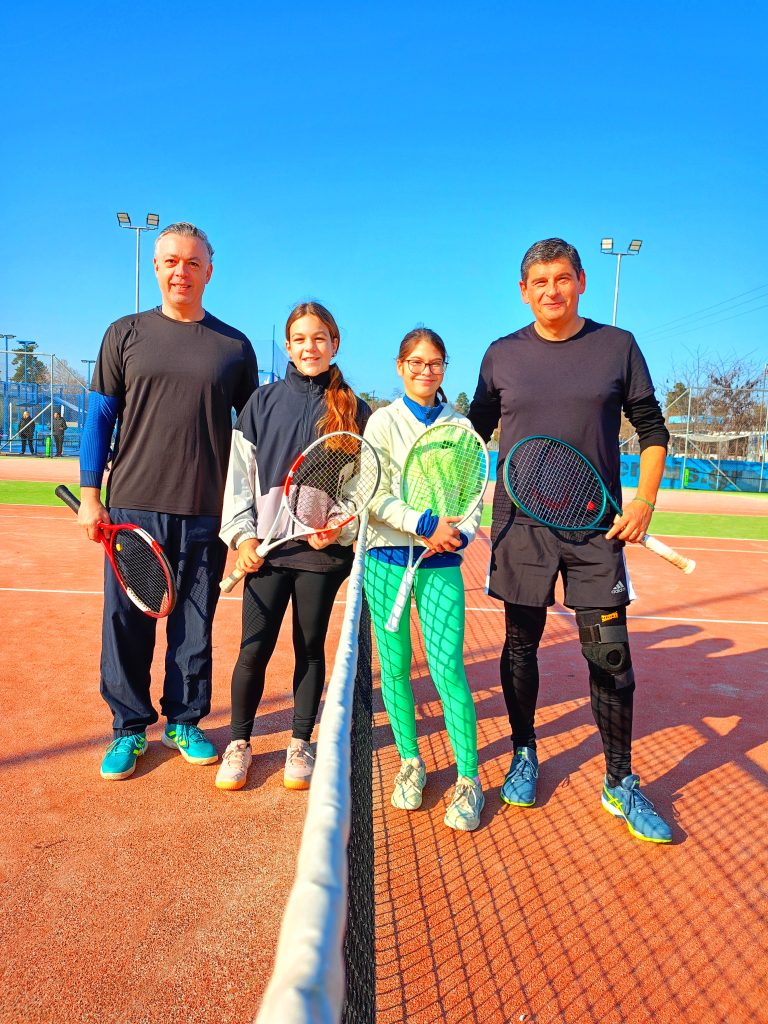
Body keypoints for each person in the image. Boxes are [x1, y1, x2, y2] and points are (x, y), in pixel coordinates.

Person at [468, 237, 672, 843]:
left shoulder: (617, 346)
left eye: (561, 279)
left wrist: (643, 502)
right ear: (523, 291)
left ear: (581, 281)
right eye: (538, 282)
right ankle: (525, 752)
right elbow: (470, 434)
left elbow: (653, 427)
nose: (550, 291)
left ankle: (620, 780)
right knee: (520, 645)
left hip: (595, 530)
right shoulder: (501, 355)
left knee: (609, 654)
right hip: (521, 527)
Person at [77, 222, 259, 781]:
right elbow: (100, 416)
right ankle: (129, 727)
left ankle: (184, 720)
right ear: (157, 268)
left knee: (194, 622)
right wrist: (91, 494)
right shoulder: (124, 333)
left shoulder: (235, 346)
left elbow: (254, 434)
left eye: (192, 262)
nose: (181, 271)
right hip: (132, 506)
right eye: (171, 261)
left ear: (210, 270)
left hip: (206, 507)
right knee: (126, 622)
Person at [215, 302, 370, 792]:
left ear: (334, 343)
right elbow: (239, 481)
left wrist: (339, 528)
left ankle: (299, 742)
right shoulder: (260, 403)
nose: (310, 347)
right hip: (266, 554)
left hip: (321, 556)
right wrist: (244, 537)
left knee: (309, 649)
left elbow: (360, 490)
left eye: (320, 338)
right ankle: (239, 743)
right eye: (301, 338)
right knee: (252, 650)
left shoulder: (354, 410)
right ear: (287, 346)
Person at [363, 328, 485, 832]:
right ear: (399, 366)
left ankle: (469, 779)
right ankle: (411, 762)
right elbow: (374, 495)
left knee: (447, 669)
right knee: (394, 669)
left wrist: (458, 534)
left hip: (440, 565)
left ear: (444, 368)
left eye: (435, 363)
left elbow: (473, 494)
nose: (425, 371)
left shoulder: (461, 428)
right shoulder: (381, 423)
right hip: (385, 559)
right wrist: (423, 524)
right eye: (415, 362)